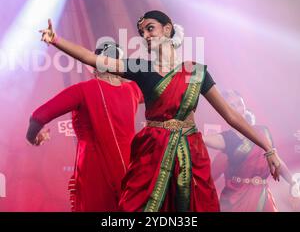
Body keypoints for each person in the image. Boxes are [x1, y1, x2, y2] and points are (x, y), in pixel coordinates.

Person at [39, 11, 281, 212]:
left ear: (167, 30)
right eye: (142, 32)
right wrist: (55, 39)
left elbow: (231, 116)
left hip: (190, 151)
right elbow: (93, 59)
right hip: (153, 151)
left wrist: (268, 149)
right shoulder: (141, 68)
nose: (145, 35)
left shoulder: (196, 72)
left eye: (150, 29)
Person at [26, 40, 143, 211]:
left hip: (94, 169)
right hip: (130, 168)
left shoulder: (83, 90)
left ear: (93, 64)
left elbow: (38, 116)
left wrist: (32, 137)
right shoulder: (134, 90)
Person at [204, 90, 298, 212]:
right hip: (235, 200)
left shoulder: (263, 132)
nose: (238, 108)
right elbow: (202, 140)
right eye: (232, 106)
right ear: (224, 111)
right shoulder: (226, 138)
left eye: (239, 103)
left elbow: (277, 160)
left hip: (263, 198)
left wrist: (293, 183)